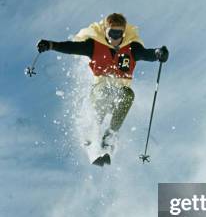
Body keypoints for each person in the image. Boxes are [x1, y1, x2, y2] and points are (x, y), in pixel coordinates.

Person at [37, 13, 169, 165]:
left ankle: (110, 136)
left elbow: (147, 54)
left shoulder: (131, 48)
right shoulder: (93, 46)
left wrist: (159, 53)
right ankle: (92, 130)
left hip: (119, 96)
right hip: (99, 92)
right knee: (106, 89)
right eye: (112, 33)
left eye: (119, 33)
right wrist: (50, 45)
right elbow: (71, 47)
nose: (115, 37)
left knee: (128, 94)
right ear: (105, 31)